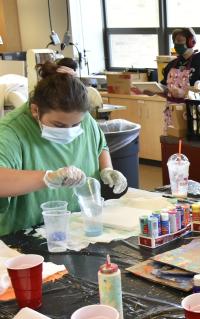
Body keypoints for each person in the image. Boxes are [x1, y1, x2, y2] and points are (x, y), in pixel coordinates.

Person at [0, 61, 127, 236]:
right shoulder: (10, 131)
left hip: (75, 227)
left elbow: (99, 144)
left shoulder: (83, 118)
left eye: (76, 125)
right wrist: (48, 178)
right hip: (27, 235)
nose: (68, 132)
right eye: (58, 125)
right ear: (35, 110)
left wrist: (107, 168)